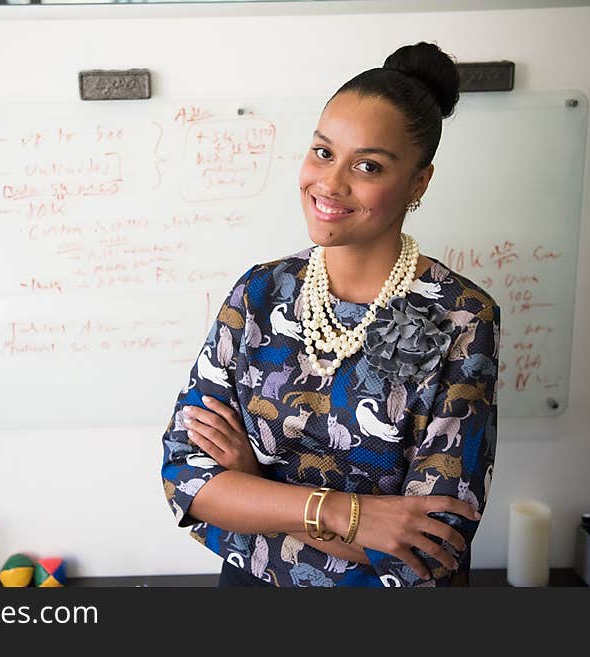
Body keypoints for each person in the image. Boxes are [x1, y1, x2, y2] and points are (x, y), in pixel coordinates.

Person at [160, 41, 500, 587]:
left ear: (418, 182)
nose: (330, 183)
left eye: (367, 165)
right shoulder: (260, 293)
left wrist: (255, 491)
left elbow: (429, 545)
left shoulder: (452, 317)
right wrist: (352, 517)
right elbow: (188, 479)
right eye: (323, 152)